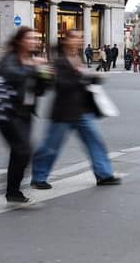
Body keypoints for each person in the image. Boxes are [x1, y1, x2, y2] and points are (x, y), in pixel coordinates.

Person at [31, 30, 121, 190]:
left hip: (82, 111)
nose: (79, 40)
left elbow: (80, 81)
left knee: (95, 142)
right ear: (66, 41)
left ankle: (104, 174)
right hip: (63, 112)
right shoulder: (59, 61)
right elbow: (61, 84)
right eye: (75, 37)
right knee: (51, 146)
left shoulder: (76, 58)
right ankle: (38, 177)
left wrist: (92, 78)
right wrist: (83, 78)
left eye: (81, 37)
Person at [0, 27, 51, 205]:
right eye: (30, 38)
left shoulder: (33, 60)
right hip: (8, 112)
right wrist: (33, 67)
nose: (34, 41)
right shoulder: (10, 59)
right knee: (23, 150)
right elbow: (11, 75)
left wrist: (45, 75)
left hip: (26, 113)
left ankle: (12, 190)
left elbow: (40, 90)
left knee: (21, 152)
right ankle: (12, 190)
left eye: (35, 38)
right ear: (20, 41)